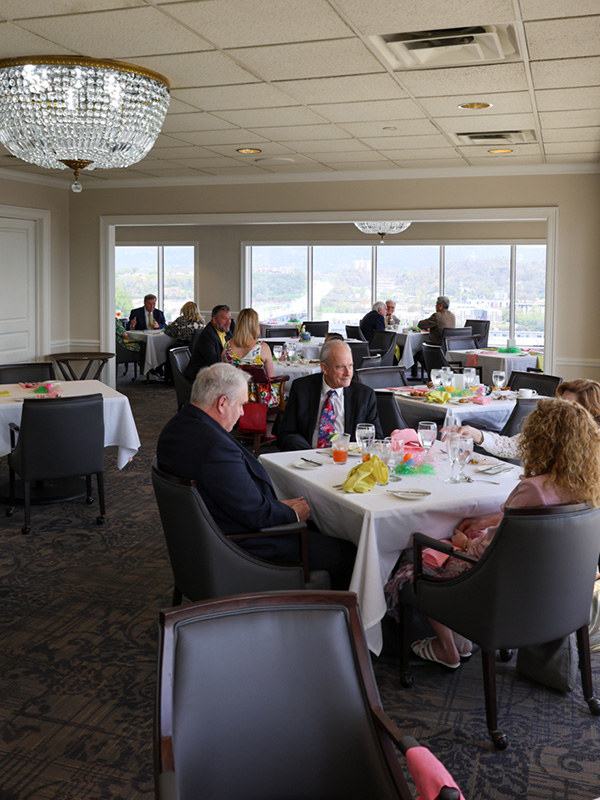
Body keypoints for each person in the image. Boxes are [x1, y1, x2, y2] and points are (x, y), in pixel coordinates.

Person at [386, 398, 600, 668]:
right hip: (560, 591)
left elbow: (487, 551)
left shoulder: (533, 489)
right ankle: (462, 640)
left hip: (501, 593)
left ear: (539, 440)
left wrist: (465, 544)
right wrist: (485, 526)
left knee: (416, 561)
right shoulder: (590, 486)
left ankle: (447, 647)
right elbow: (527, 529)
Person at [156, 363, 356, 588]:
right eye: (242, 404)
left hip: (204, 540)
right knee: (348, 552)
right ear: (222, 403)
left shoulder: (176, 428)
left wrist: (277, 506)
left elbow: (230, 496)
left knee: (318, 529)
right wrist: (291, 513)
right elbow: (254, 514)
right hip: (240, 547)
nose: (243, 412)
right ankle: (329, 608)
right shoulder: (215, 449)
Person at [452, 378, 600, 460]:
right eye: (561, 402)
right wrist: (474, 433)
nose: (561, 408)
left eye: (570, 406)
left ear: (590, 410)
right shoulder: (553, 428)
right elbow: (512, 446)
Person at [277, 339, 382, 451]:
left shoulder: (364, 395)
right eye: (341, 367)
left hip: (347, 457)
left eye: (350, 365)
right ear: (324, 368)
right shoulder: (302, 388)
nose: (348, 373)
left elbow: (376, 438)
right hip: (307, 455)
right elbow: (285, 434)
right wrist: (310, 454)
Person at [222, 307, 282, 407]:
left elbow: (224, 371)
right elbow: (271, 377)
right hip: (257, 398)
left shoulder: (227, 346)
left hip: (233, 396)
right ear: (255, 325)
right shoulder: (262, 347)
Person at [184, 303, 233, 381]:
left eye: (229, 318)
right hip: (201, 376)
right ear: (214, 320)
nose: (228, 322)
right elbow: (214, 362)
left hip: (217, 372)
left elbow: (233, 351)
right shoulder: (207, 335)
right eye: (224, 318)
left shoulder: (226, 332)